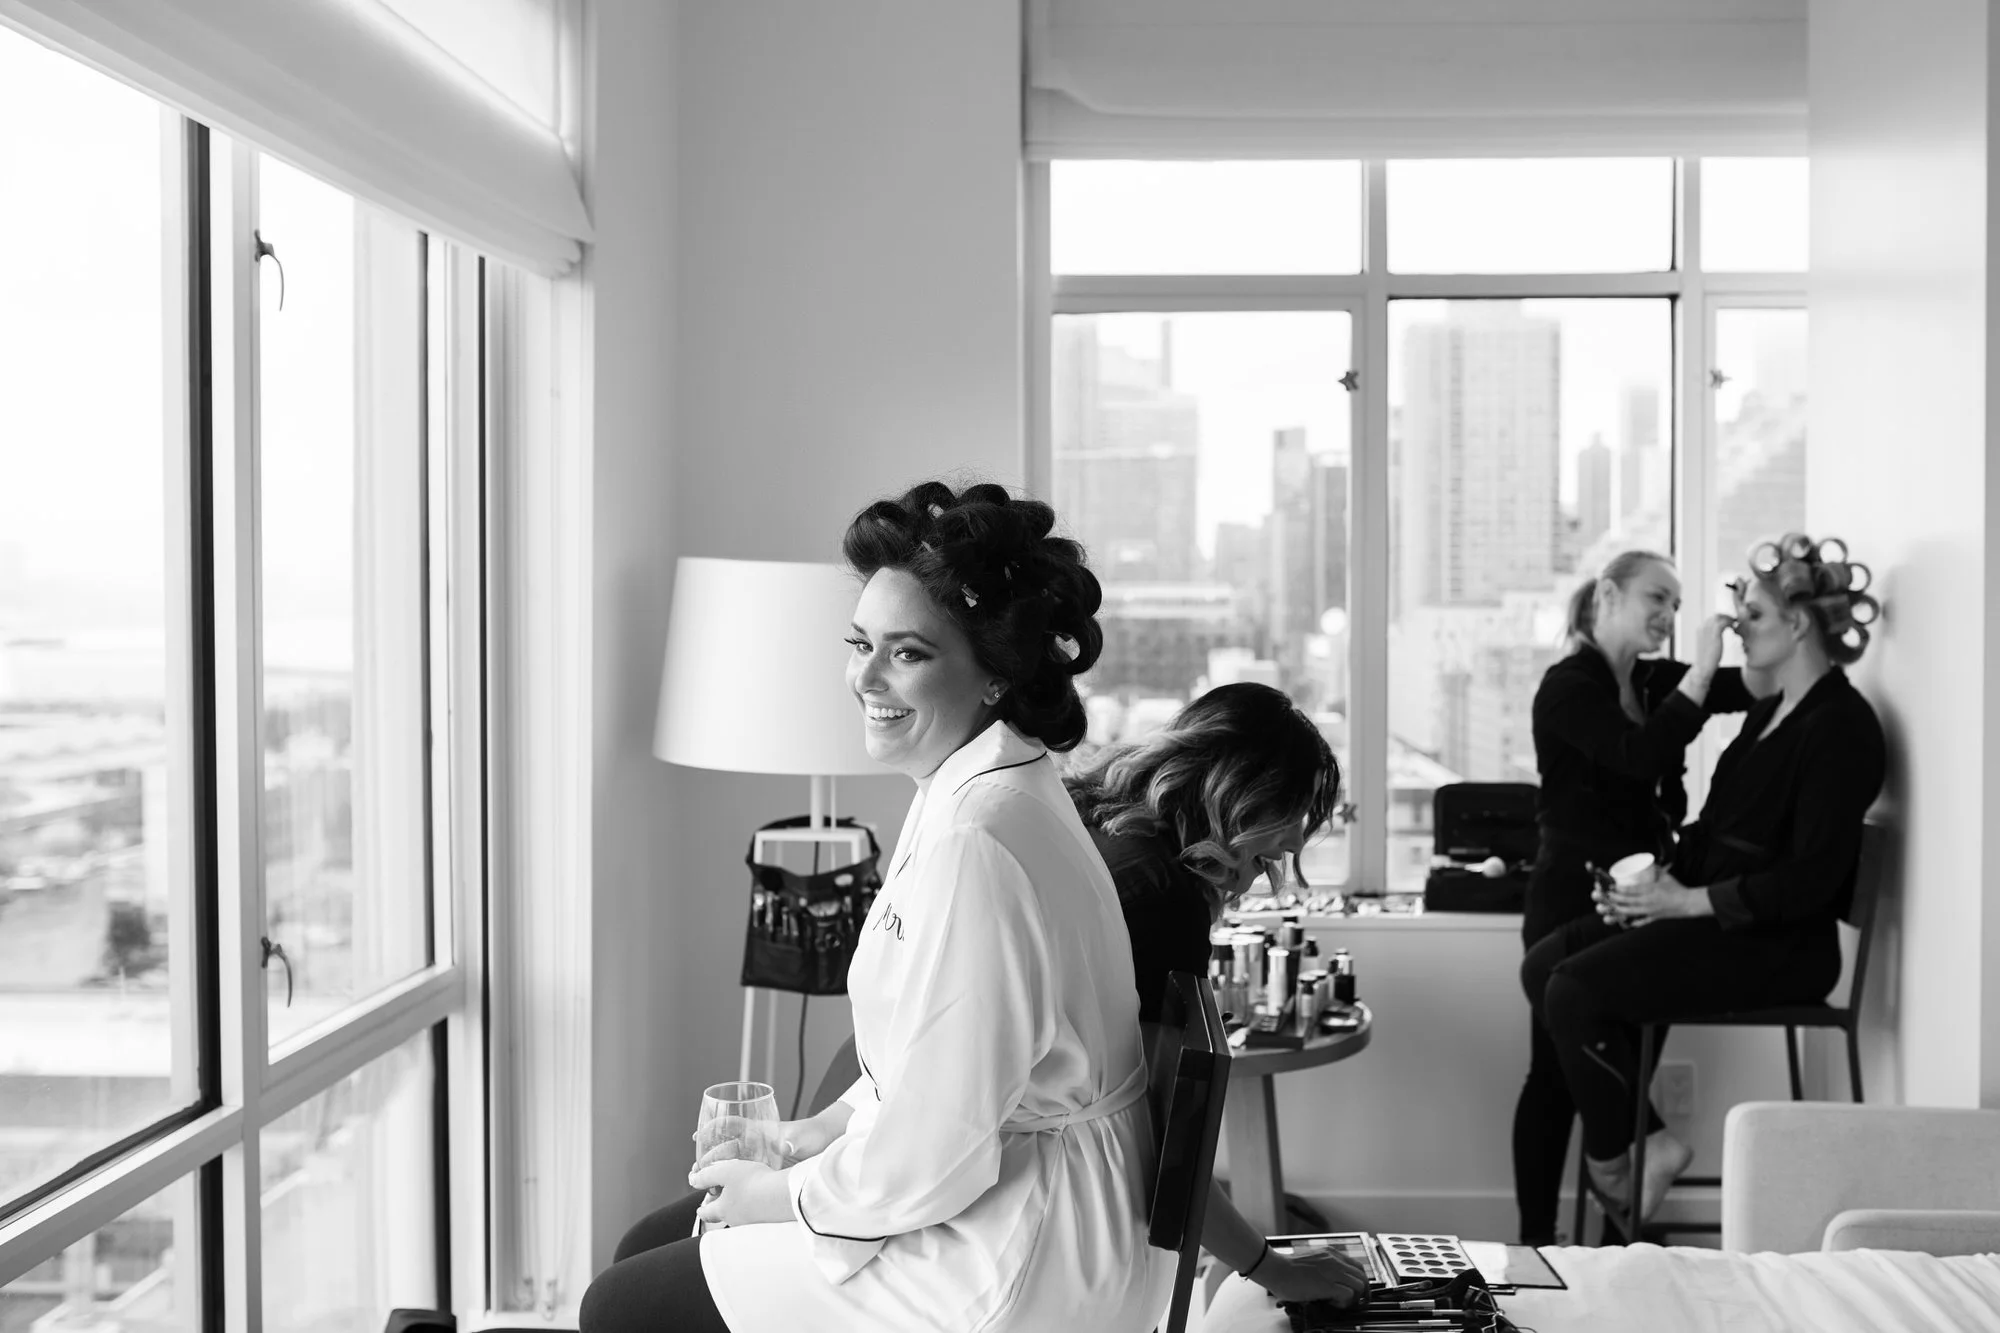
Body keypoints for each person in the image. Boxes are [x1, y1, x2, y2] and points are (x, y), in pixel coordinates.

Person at [580, 480, 1171, 1333]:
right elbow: (934, 1066)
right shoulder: (982, 785)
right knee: (647, 1246)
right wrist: (815, 1132)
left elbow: (941, 1145)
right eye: (860, 642)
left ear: (995, 674)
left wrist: (778, 1193)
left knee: (620, 1305)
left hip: (1023, 1246)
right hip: (1024, 1187)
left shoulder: (979, 838)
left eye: (908, 653)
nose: (865, 676)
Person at [1520, 534, 1885, 1227]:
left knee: (1572, 990)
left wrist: (1683, 898)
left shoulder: (1839, 726)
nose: (1736, 625)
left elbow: (1810, 878)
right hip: (1686, 904)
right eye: (1658, 597)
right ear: (1609, 596)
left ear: (1797, 624)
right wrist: (1666, 888)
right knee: (1544, 969)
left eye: (1752, 613)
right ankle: (1638, 1154)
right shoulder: (1765, 713)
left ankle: (1623, 1165)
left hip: (1780, 941)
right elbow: (1691, 800)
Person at [1065, 681, 1370, 1307]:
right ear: (1241, 795)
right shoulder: (1163, 896)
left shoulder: (1089, 821)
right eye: (1292, 814)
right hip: (1073, 1200)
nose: (1294, 844)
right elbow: (1172, 1144)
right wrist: (1275, 1270)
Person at [1512, 550, 1762, 1246]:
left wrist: (1759, 627)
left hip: (1644, 900)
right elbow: (1637, 755)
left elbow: (1749, 688)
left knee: (1633, 1065)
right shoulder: (1567, 687)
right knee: (1555, 1077)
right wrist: (1702, 671)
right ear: (1609, 594)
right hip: (1567, 899)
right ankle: (1537, 1241)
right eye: (1658, 597)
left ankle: (1619, 1246)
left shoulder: (1651, 680)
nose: (1669, 615)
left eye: (1677, 605)